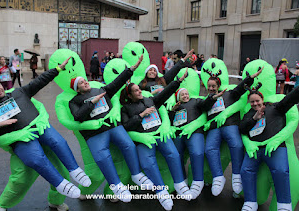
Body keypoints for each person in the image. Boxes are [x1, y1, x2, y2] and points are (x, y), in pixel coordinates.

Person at [0, 57, 91, 199]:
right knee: (36, 159)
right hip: (22, 138)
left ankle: (76, 170)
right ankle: (61, 184)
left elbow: (39, 81)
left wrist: (57, 69)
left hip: (39, 126)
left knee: (59, 142)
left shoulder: (18, 92)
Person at [69, 55, 154, 202]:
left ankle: (136, 174)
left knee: (128, 145)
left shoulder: (100, 89)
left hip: (113, 127)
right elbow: (77, 116)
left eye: (85, 80)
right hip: (94, 133)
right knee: (102, 157)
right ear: (77, 89)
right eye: (81, 83)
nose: (85, 83)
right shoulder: (74, 101)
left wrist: (131, 69)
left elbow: (117, 82)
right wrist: (91, 103)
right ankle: (117, 185)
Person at [121, 69, 193, 211]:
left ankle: (180, 184)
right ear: (129, 95)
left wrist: (177, 82)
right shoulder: (125, 109)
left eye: (138, 89)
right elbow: (126, 126)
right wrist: (141, 115)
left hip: (159, 133)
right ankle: (161, 192)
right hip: (145, 139)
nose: (139, 92)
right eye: (136, 91)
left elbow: (165, 94)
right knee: (148, 163)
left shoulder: (150, 100)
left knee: (173, 154)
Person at [204, 68, 262, 196]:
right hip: (214, 128)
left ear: (219, 86)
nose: (211, 88)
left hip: (230, 124)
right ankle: (218, 177)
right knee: (209, 148)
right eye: (209, 86)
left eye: (213, 86)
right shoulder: (206, 99)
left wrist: (250, 78)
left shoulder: (229, 93)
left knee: (236, 145)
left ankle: (236, 175)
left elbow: (241, 88)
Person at [239, 86, 299, 211]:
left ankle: (284, 204)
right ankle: (250, 202)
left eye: (257, 101)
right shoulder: (248, 114)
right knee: (246, 170)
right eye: (252, 102)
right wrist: (254, 118)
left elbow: (290, 98)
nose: (255, 104)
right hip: (256, 149)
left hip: (274, 148)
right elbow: (242, 129)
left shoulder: (275, 107)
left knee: (281, 170)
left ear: (262, 99)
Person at [170, 87, 226, 199]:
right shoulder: (176, 107)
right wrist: (172, 111)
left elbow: (205, 105)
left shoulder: (195, 101)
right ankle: (182, 180)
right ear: (178, 98)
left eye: (186, 94)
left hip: (194, 131)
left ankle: (198, 180)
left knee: (197, 153)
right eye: (182, 95)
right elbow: (170, 120)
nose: (185, 96)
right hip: (179, 133)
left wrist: (212, 98)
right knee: (176, 156)